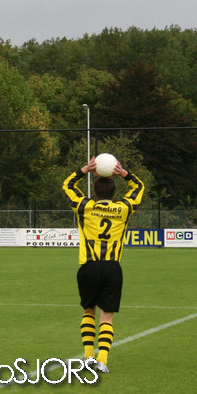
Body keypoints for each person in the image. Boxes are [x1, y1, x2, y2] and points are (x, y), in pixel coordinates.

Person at [63, 156, 145, 373]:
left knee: (88, 312)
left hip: (89, 267)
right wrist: (124, 173)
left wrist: (85, 170)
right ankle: (102, 361)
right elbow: (139, 187)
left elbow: (68, 185)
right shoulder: (123, 208)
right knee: (106, 316)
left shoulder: (85, 207)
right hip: (112, 268)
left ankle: (88, 357)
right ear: (114, 194)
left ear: (95, 192)